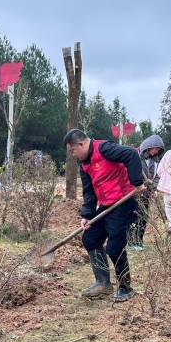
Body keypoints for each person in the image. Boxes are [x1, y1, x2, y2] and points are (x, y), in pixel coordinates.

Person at [63, 129, 146, 302]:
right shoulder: (84, 164)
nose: (73, 155)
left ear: (80, 144)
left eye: (72, 151)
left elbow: (131, 154)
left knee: (114, 247)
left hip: (123, 203)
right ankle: (103, 283)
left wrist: (136, 182)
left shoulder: (104, 149)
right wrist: (86, 214)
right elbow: (89, 191)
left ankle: (125, 288)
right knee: (90, 238)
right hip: (107, 205)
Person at [130, 134, 165, 251]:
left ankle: (138, 241)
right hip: (134, 193)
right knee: (134, 217)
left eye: (158, 150)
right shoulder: (136, 157)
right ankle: (132, 241)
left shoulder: (156, 161)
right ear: (148, 147)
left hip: (146, 193)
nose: (156, 152)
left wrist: (153, 189)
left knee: (143, 217)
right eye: (155, 149)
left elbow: (157, 176)